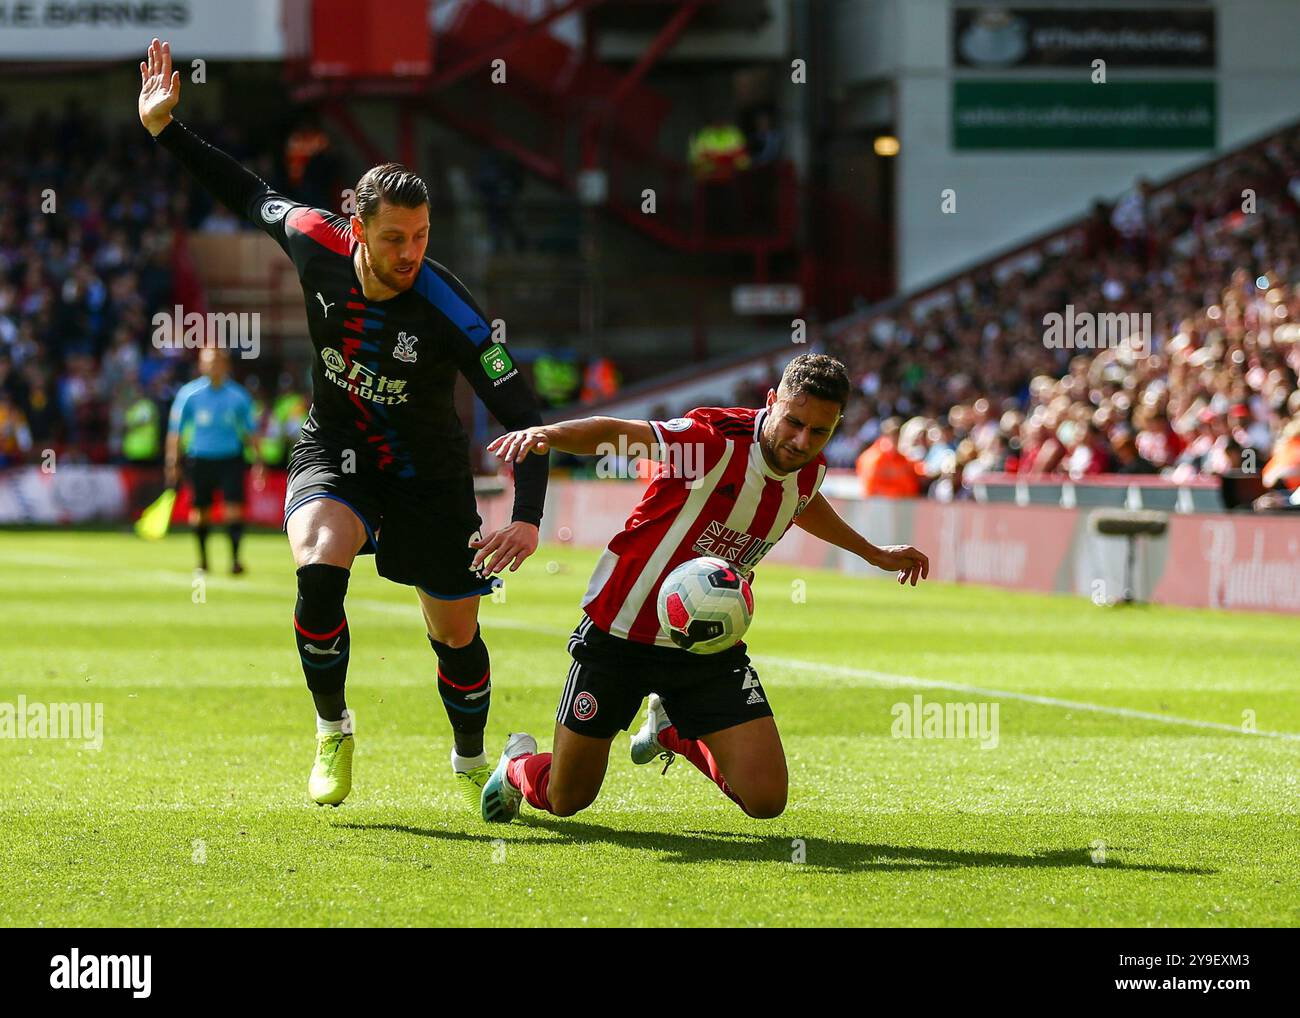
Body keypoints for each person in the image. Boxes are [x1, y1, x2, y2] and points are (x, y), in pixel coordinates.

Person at [139, 38, 550, 810]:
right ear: (356, 226)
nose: (410, 253)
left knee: (455, 633)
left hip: (429, 476)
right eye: (395, 237)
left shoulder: (452, 309)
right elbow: (243, 189)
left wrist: (527, 517)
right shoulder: (313, 238)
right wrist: (167, 129)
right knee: (319, 569)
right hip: (336, 449)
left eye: (422, 236)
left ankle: (470, 766)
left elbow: (524, 416)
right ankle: (333, 728)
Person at [475, 354, 929, 824]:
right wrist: (548, 435)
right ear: (771, 402)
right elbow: (620, 434)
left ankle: (670, 730)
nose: (801, 441)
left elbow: (802, 500)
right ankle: (516, 767)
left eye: (819, 432)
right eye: (793, 422)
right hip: (621, 632)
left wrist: (872, 552)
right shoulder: (711, 442)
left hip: (705, 644)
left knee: (766, 801)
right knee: (567, 798)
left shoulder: (808, 467)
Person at [165, 347, 257, 573]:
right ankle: (203, 560)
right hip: (200, 459)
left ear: (226, 365)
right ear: (201, 365)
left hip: (230, 459)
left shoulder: (238, 396)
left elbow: (250, 431)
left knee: (233, 509)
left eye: (217, 361)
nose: (213, 366)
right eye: (209, 361)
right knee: (201, 511)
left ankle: (235, 560)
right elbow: (175, 431)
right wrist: (172, 461)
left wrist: (258, 460)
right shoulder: (189, 395)